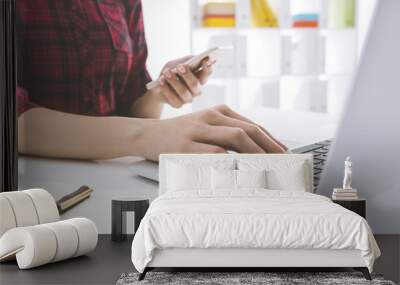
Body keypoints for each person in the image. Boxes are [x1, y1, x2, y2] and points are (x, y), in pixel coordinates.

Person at [16, 0, 286, 162]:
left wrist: (160, 92)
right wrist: (144, 137)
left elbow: (133, 106)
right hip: (35, 190)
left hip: (111, 176)